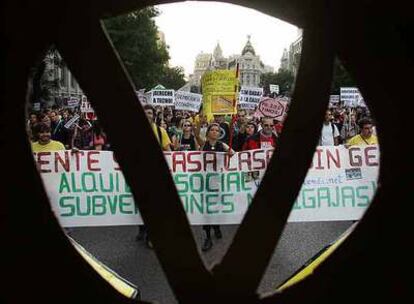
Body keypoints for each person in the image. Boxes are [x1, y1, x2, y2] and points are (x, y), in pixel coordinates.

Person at [136, 105, 172, 248]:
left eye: (150, 113)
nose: (147, 115)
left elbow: (168, 151)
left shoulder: (160, 131)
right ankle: (142, 229)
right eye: (144, 113)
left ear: (154, 115)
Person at [200, 123, 234, 252]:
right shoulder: (203, 145)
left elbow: (234, 155)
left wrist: (230, 154)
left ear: (220, 134)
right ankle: (208, 237)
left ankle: (216, 225)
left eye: (217, 130)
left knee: (217, 207)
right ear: (208, 132)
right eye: (212, 130)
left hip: (219, 183)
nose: (214, 132)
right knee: (207, 210)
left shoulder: (222, 145)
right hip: (205, 183)